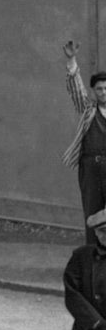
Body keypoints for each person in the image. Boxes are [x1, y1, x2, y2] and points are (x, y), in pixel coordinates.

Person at [60, 37, 106, 217]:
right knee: (93, 214)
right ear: (94, 91)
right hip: (91, 169)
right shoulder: (88, 109)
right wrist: (71, 61)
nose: (104, 92)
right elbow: (77, 91)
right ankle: (93, 246)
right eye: (100, 89)